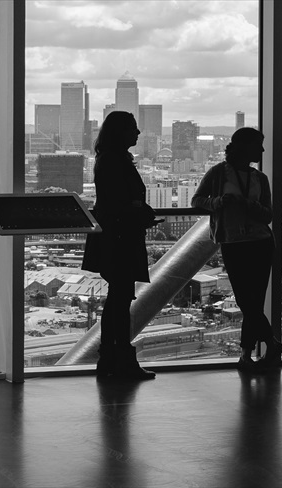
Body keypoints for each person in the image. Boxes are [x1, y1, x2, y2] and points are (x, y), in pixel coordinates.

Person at [191, 127, 281, 371]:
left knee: (251, 302)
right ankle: (269, 344)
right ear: (245, 147)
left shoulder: (259, 178)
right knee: (247, 301)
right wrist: (218, 202)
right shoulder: (219, 173)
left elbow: (267, 214)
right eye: (258, 145)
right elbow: (197, 200)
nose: (262, 150)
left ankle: (246, 355)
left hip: (258, 243)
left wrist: (245, 204)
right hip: (238, 243)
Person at [81, 111, 159, 381]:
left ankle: (110, 358)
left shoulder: (107, 159)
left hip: (113, 236)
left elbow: (113, 201)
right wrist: (139, 211)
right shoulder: (116, 161)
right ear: (121, 132)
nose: (138, 134)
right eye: (133, 129)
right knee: (120, 300)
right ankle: (120, 359)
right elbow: (120, 202)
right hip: (120, 238)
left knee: (118, 300)